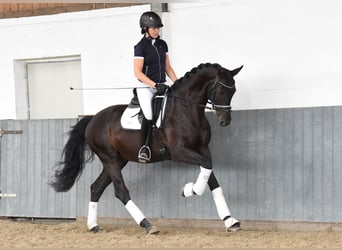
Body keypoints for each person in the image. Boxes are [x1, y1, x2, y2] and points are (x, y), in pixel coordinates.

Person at [134, 11, 177, 163]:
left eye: (158, 28)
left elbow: (168, 68)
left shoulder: (162, 44)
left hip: (161, 85)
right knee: (150, 115)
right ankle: (143, 147)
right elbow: (138, 73)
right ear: (145, 29)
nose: (157, 31)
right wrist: (154, 85)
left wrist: (177, 82)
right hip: (145, 87)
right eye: (153, 28)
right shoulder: (140, 47)